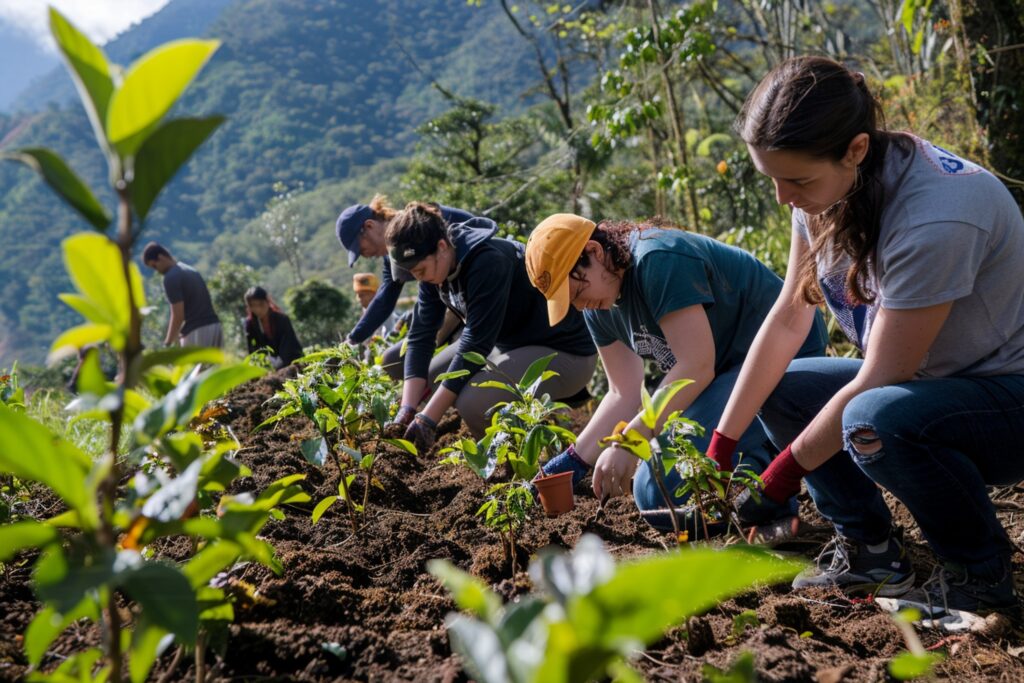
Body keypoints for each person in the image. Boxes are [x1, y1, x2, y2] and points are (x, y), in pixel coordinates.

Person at [706, 56, 1024, 622]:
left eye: (795, 180)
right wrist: (721, 448)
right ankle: (870, 552)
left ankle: (979, 575)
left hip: (1005, 399)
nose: (782, 198)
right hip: (931, 385)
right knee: (785, 387)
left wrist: (779, 477)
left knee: (873, 417)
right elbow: (787, 318)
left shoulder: (938, 217)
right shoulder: (825, 189)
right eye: (772, 178)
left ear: (855, 149)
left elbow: (882, 377)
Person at [527, 214, 827, 529]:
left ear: (594, 252)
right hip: (724, 377)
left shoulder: (658, 260)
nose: (578, 306)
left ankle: (769, 505)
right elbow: (623, 393)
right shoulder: (599, 306)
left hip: (785, 357)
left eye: (574, 293)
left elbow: (695, 367)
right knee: (654, 493)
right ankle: (743, 507)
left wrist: (629, 442)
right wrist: (573, 462)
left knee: (659, 485)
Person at [384, 203, 597, 451]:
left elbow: (475, 343)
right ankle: (517, 423)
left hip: (565, 353)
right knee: (432, 379)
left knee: (473, 403)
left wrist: (428, 419)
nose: (419, 277)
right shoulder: (434, 271)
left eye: (420, 270)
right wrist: (407, 410)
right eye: (413, 272)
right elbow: (420, 336)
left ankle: (511, 463)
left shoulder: (487, 262)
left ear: (442, 247)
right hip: (509, 344)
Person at [336, 195, 468, 379]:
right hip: (447, 303)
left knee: (425, 360)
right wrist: (353, 338)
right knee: (392, 359)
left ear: (369, 226)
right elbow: (385, 298)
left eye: (361, 249)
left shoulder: (420, 225)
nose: (365, 256)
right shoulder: (391, 255)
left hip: (468, 298)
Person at [142, 242, 222, 348]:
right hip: (215, 328)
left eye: (154, 266)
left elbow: (178, 316)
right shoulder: (191, 270)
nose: (157, 271)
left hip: (196, 332)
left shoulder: (170, 277)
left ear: (160, 257)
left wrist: (168, 343)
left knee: (191, 365)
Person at [243, 286, 303, 369]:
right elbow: (253, 350)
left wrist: (280, 362)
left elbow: (289, 345)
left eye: (261, 304)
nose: (258, 309)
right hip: (268, 367)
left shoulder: (282, 319)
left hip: (291, 363)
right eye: (253, 306)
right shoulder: (250, 325)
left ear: (267, 302)